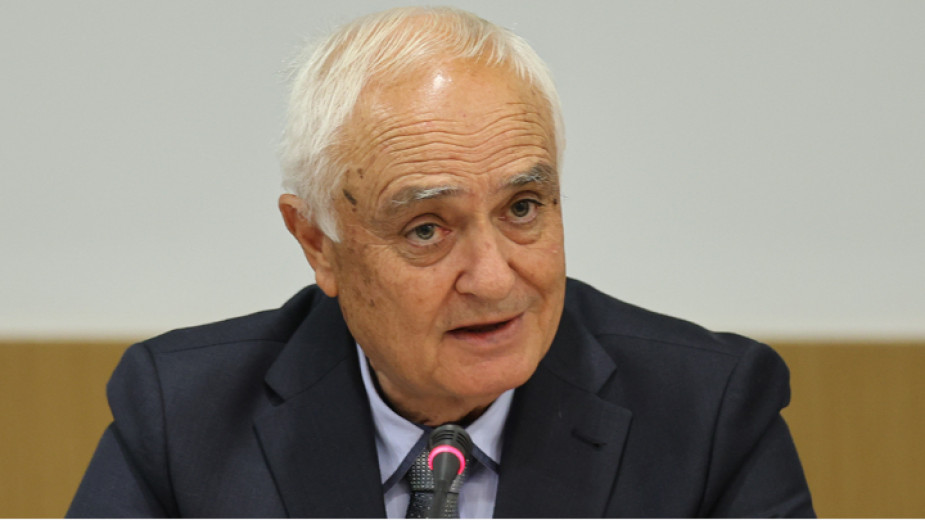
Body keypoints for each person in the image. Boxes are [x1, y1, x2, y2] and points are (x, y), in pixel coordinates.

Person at [68, 6, 814, 518]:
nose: (493, 278)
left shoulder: (709, 415)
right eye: (426, 229)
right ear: (317, 243)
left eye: (522, 209)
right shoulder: (182, 417)